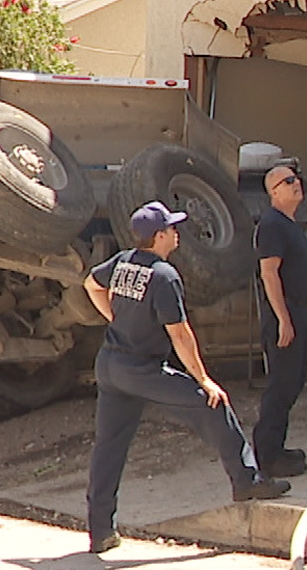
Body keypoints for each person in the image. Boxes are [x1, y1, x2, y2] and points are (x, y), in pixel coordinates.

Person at [84, 202, 290, 553]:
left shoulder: (123, 261)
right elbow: (180, 334)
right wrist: (204, 379)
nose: (178, 233)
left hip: (110, 365)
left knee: (108, 447)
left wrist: (114, 319)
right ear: (160, 236)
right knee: (212, 404)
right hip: (141, 369)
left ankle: (101, 531)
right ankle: (247, 480)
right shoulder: (164, 275)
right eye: (172, 228)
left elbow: (90, 283)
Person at [253, 162, 307, 478]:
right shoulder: (272, 224)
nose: (296, 183)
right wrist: (283, 318)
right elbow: (269, 272)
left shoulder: (289, 223)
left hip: (300, 310)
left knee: (294, 381)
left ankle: (277, 447)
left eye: (297, 177)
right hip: (286, 311)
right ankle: (267, 454)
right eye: (287, 180)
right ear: (273, 192)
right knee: (281, 384)